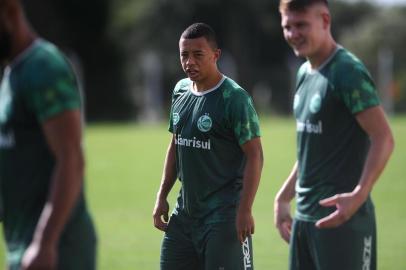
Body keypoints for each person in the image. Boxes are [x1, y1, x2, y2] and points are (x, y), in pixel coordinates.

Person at [274, 0, 395, 269]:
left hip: (342, 220)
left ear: (325, 20)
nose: (293, 34)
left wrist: (360, 194)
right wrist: (284, 196)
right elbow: (312, 148)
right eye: (287, 26)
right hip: (305, 221)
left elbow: (383, 137)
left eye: (301, 25)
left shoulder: (346, 71)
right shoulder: (305, 72)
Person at [153, 22, 263, 270]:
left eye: (197, 55)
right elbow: (175, 146)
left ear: (216, 55)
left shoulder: (234, 98)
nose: (189, 62)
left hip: (224, 218)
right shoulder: (180, 91)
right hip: (184, 217)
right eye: (184, 55)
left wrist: (245, 210)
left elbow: (255, 156)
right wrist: (162, 196)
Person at [0, 0, 97, 269]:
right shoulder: (13, 73)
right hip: (23, 246)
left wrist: (44, 242)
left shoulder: (43, 67)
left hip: (55, 252)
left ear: (10, 12)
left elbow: (72, 160)